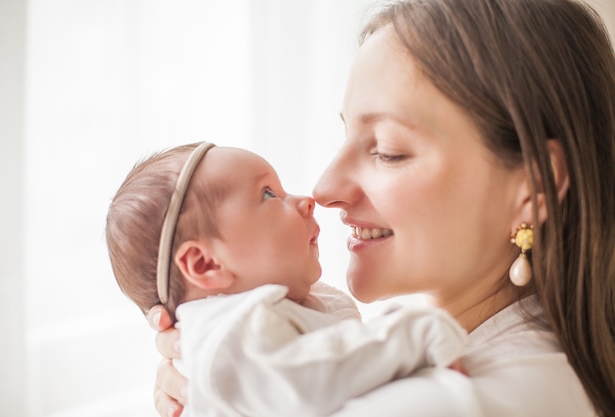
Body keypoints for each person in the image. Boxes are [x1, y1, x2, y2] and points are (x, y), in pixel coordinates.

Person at [148, 0, 615, 415]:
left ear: (534, 187)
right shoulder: (427, 362)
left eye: (387, 150)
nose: (323, 189)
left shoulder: (469, 400)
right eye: (346, 135)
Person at [106, 142, 468, 416]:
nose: (308, 199)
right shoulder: (232, 334)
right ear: (204, 264)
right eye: (268, 194)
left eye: (390, 151)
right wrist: (418, 333)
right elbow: (314, 382)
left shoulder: (252, 321)